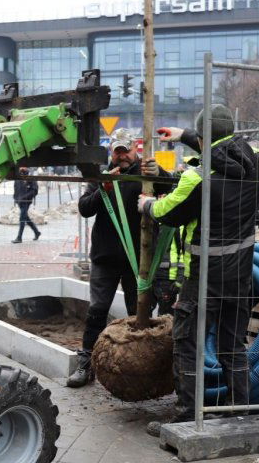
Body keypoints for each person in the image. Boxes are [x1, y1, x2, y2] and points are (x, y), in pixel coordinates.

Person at [140, 104, 259, 429]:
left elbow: (168, 212)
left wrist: (148, 204)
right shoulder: (254, 161)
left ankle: (185, 416)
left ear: (204, 139)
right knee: (231, 345)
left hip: (204, 277)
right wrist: (184, 136)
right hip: (240, 276)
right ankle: (239, 413)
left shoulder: (197, 178)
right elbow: (220, 147)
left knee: (187, 343)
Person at [67, 129, 172, 387]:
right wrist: (103, 187)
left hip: (139, 258)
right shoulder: (104, 175)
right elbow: (84, 208)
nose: (122, 157)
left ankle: (141, 367)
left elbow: (175, 187)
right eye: (118, 152)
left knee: (138, 312)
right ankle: (86, 363)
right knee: (97, 310)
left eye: (126, 151)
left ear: (135, 148)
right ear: (112, 152)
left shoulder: (146, 173)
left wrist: (160, 173)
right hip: (105, 256)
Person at [12, 167, 41, 243]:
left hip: (26, 201)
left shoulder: (30, 177)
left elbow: (34, 191)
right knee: (25, 218)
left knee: (22, 218)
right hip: (20, 201)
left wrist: (25, 197)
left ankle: (19, 237)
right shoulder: (18, 176)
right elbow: (15, 187)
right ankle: (37, 232)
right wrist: (16, 198)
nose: (21, 168)